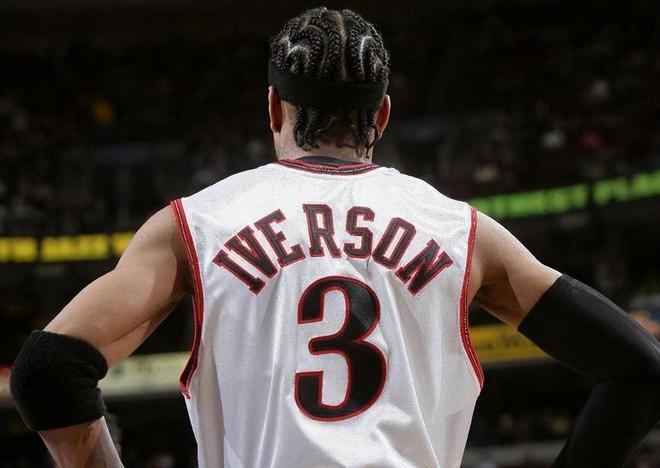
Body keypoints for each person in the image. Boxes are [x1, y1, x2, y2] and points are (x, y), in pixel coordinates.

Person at [10, 7, 660, 468]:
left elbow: (48, 370)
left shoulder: (197, 224)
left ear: (273, 107)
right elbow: (639, 369)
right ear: (383, 114)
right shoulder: (464, 232)